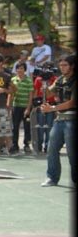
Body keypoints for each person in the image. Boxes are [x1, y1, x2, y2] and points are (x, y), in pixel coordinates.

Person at [41, 54, 75, 187]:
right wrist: (45, 81)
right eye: (60, 65)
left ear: (72, 66)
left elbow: (72, 102)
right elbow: (47, 94)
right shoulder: (60, 80)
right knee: (52, 150)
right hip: (60, 119)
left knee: (72, 153)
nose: (62, 68)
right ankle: (52, 177)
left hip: (72, 120)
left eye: (65, 65)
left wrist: (52, 108)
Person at [10, 62, 34, 154]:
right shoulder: (13, 80)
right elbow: (10, 94)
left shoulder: (29, 80)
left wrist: (28, 108)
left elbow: (30, 96)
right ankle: (15, 145)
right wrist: (10, 106)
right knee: (15, 126)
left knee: (27, 127)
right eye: (18, 68)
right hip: (16, 106)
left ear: (25, 70)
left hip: (25, 107)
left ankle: (26, 145)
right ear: (16, 70)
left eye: (22, 68)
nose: (19, 70)